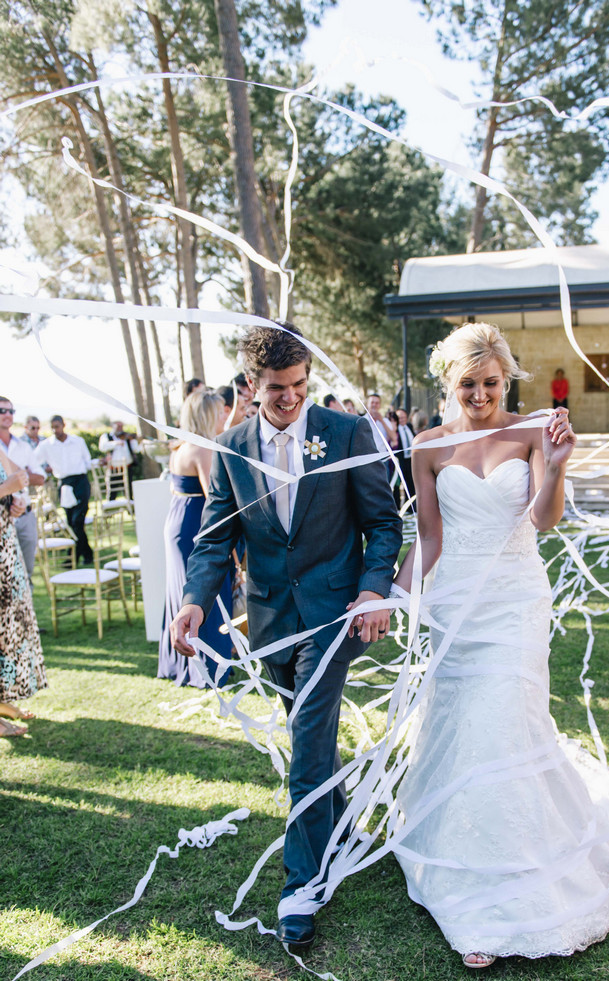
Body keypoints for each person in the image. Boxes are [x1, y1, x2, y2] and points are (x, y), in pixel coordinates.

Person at [392, 322, 609, 970]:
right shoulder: (426, 446)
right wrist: (393, 596)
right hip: (455, 610)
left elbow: (542, 518)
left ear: (506, 380)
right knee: (463, 732)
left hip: (513, 605)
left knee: (502, 726)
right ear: (449, 384)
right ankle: (465, 875)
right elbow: (428, 537)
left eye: (490, 382)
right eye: (467, 383)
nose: (479, 393)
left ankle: (498, 900)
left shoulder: (532, 430)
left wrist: (554, 466)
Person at [171, 323, 402, 950]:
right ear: (251, 385)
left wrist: (374, 589)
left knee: (304, 742)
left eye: (301, 385)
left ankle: (302, 884)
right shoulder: (231, 446)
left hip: (334, 615)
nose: (291, 398)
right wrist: (194, 601)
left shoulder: (349, 431)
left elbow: (383, 524)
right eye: (277, 389)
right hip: (271, 618)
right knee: (312, 734)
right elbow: (215, 538)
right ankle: (345, 812)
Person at [158, 390, 234, 689]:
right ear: (205, 416)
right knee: (206, 591)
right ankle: (205, 667)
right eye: (218, 413)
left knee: (181, 593)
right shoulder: (203, 450)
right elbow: (216, 498)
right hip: (196, 525)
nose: (223, 418)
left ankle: (181, 663)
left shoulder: (180, 447)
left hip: (178, 519)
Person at [0, 446, 47, 737]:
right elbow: (14, 479)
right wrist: (7, 487)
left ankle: (2, 701)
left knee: (9, 630)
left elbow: (20, 476)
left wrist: (11, 500)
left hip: (5, 547)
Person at [35, 416, 94, 566]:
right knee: (70, 522)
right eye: (53, 427)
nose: (56, 430)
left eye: (58, 426)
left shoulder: (78, 441)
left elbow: (87, 461)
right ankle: (84, 554)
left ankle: (72, 557)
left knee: (77, 520)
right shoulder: (46, 445)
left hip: (80, 481)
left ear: (63, 425)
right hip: (65, 484)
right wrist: (44, 471)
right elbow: (33, 461)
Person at [0, 396, 46, 584]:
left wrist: (18, 484)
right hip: (3, 521)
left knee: (25, 576)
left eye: (11, 411)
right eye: (2, 411)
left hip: (24, 513)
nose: (7, 415)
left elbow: (40, 477)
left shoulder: (23, 446)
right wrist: (11, 484)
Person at [98, 420, 140, 495]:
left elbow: (136, 449)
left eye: (121, 426)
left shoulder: (127, 437)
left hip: (127, 467)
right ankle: (111, 504)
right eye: (118, 426)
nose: (120, 428)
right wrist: (116, 443)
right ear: (113, 427)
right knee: (112, 491)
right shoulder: (107, 436)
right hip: (113, 468)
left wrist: (133, 440)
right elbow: (102, 447)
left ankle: (129, 504)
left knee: (129, 491)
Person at [396, 407, 415, 500]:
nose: (402, 419)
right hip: (401, 459)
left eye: (404, 417)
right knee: (402, 482)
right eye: (400, 418)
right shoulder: (395, 430)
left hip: (411, 458)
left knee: (412, 481)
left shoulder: (409, 427)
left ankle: (412, 505)